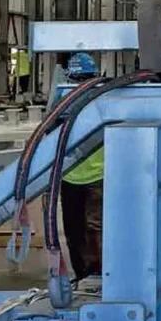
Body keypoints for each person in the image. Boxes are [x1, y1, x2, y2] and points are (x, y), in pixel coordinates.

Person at [60, 53, 104, 280]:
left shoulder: (64, 99)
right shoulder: (102, 97)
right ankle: (91, 277)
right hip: (85, 176)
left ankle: (91, 277)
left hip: (82, 176)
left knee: (79, 233)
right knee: (90, 231)